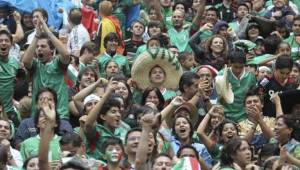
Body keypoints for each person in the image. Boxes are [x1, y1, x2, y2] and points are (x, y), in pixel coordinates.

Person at [22, 14, 70, 120]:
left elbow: (66, 55)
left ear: (52, 50)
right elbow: (25, 61)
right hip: (38, 116)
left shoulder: (58, 63)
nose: (39, 49)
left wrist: (47, 31)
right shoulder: (35, 64)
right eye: (37, 47)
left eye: (43, 46)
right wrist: (37, 35)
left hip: (60, 115)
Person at [20, 88, 62, 162]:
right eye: (42, 116)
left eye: (49, 116)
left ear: (56, 123)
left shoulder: (63, 142)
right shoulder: (26, 144)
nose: (46, 118)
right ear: (37, 124)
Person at [217, 49, 256, 123]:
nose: (238, 70)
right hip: (225, 116)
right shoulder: (221, 75)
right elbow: (217, 100)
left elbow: (253, 96)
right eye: (235, 67)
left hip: (244, 116)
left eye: (241, 67)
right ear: (229, 63)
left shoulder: (251, 76)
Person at [0, 29, 20, 125]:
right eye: (0, 41)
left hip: (9, 111)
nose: (3, 43)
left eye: (6, 40)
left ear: (11, 44)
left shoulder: (15, 63)